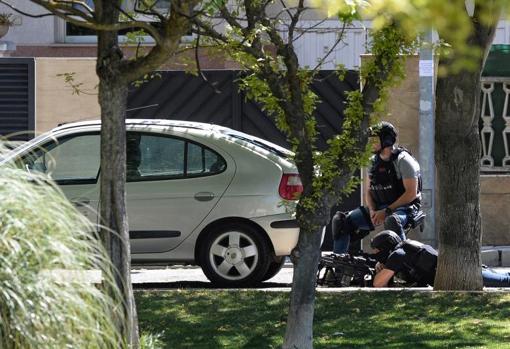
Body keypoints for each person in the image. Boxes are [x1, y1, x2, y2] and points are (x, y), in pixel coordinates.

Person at [332, 121, 422, 254]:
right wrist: (373, 210)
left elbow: (411, 194)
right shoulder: (372, 162)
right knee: (341, 222)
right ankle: (340, 268)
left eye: (374, 139)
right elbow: (368, 191)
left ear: (386, 140)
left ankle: (402, 263)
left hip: (404, 208)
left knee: (392, 221)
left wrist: (386, 211)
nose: (370, 143)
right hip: (379, 207)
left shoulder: (404, 161)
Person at [370, 230, 510, 288]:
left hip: (461, 274)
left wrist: (380, 271)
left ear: (385, 246)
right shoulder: (405, 248)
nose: (377, 254)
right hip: (461, 270)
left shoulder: (398, 255)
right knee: (504, 277)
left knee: (505, 281)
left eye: (378, 251)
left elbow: (378, 284)